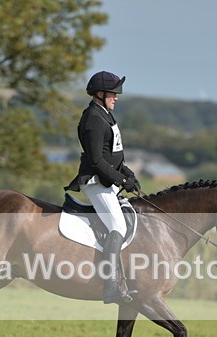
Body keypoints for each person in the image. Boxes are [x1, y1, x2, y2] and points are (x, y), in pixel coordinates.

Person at [65, 71, 140, 304]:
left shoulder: (104, 114)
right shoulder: (93, 119)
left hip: (106, 180)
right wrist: (120, 180)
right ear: (100, 93)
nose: (117, 97)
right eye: (113, 93)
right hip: (95, 183)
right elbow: (96, 161)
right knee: (117, 224)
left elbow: (112, 155)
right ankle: (110, 286)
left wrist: (128, 174)